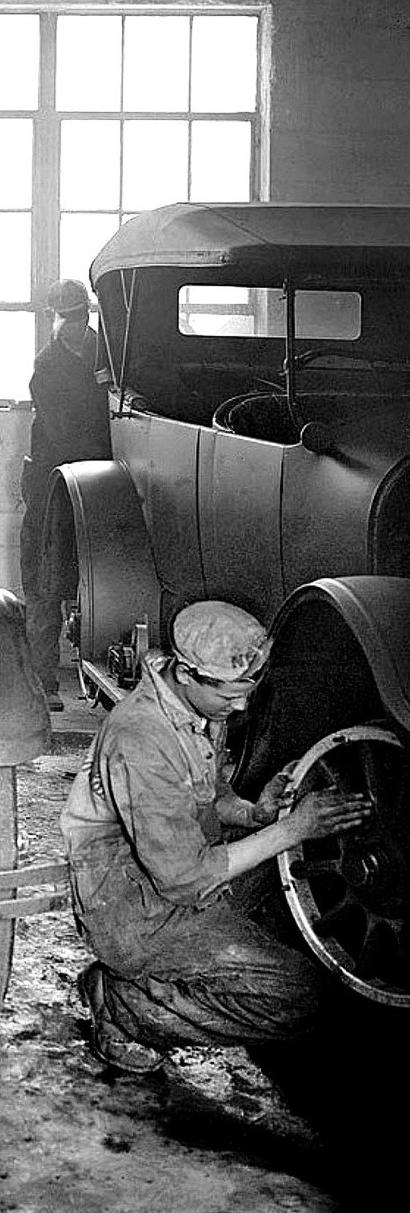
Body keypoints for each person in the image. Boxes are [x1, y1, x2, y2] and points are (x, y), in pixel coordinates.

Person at [61, 600, 374, 1073]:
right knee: (304, 1000)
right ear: (186, 673)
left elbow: (211, 792)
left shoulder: (194, 703)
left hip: (173, 872)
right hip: (134, 907)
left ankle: (168, 974)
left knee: (282, 855)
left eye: (249, 690)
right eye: (230, 696)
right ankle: (125, 1006)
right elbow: (183, 881)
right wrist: (291, 828)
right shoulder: (141, 737)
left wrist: (256, 813)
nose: (242, 705)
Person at [20, 278, 112, 710]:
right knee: (45, 585)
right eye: (70, 317)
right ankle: (44, 682)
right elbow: (62, 430)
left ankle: (104, 676)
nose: (77, 324)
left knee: (101, 582)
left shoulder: (107, 352)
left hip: (100, 483)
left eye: (82, 315)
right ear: (57, 319)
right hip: (52, 487)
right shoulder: (47, 366)